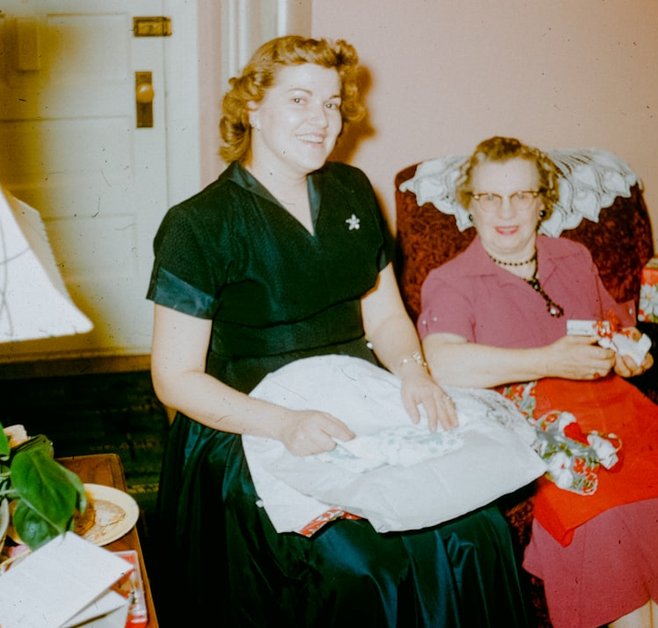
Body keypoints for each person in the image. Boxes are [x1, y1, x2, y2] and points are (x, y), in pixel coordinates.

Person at [147, 38, 527, 626]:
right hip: (251, 419)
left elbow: (385, 317)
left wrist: (414, 373)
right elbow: (174, 379)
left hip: (358, 395)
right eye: (299, 99)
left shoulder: (352, 189)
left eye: (331, 104)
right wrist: (283, 423)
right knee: (361, 567)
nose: (321, 120)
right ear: (252, 107)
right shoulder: (198, 225)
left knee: (477, 530)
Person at [418, 137, 658, 628]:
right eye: (490, 197)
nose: (506, 210)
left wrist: (629, 354)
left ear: (542, 200)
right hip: (545, 435)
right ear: (471, 204)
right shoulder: (451, 281)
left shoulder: (572, 257)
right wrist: (548, 359)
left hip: (620, 415)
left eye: (521, 195)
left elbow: (618, 331)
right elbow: (444, 365)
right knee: (608, 520)